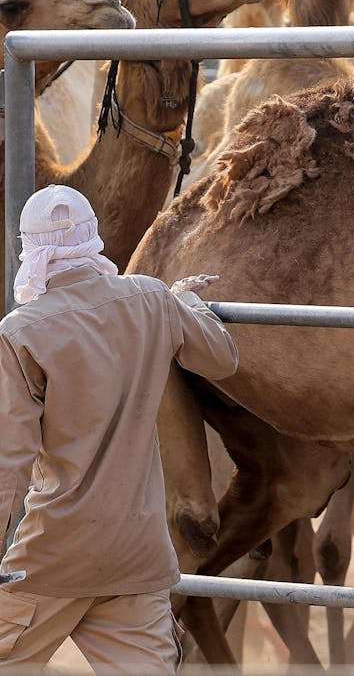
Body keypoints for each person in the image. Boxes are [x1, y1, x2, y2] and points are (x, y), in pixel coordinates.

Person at [0, 185, 236, 672]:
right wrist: (184, 304)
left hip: (51, 559)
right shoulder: (151, 299)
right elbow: (222, 358)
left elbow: (9, 462)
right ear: (93, 238)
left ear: (31, 248)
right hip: (139, 559)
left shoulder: (21, 333)